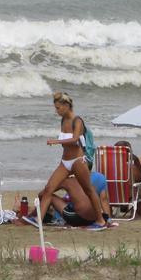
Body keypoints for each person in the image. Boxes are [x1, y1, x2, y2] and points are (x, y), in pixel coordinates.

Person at [41, 91, 106, 229]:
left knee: (88, 190)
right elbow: (66, 142)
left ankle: (100, 220)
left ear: (66, 105)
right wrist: (61, 143)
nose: (56, 111)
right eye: (55, 108)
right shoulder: (63, 120)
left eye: (58, 108)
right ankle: (38, 221)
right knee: (48, 189)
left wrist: (56, 141)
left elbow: (76, 139)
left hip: (77, 160)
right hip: (65, 162)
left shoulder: (78, 120)